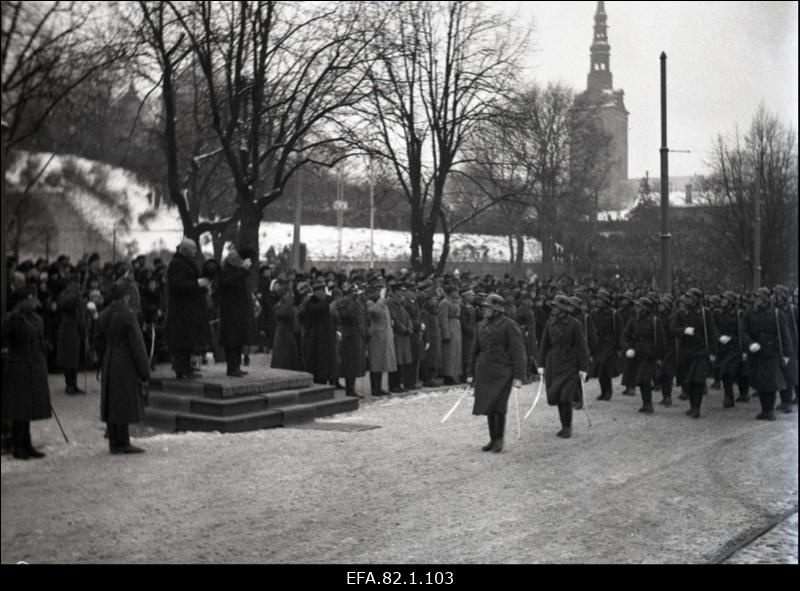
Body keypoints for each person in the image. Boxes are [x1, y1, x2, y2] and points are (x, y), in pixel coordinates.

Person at [94, 278, 150, 454]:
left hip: (109, 358)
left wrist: (101, 360)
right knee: (123, 400)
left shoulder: (104, 314)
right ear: (126, 296)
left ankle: (114, 441)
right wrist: (144, 370)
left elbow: (97, 339)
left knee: (112, 400)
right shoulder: (128, 316)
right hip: (124, 360)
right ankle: (123, 441)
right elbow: (137, 344)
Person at [467, 294, 526, 453]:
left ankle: (499, 439)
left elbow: (518, 351)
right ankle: (493, 439)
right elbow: (474, 350)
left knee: (499, 407)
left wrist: (519, 376)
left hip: (503, 372)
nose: (484, 310)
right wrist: (470, 372)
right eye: (484, 308)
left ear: (497, 309)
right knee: (489, 406)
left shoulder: (509, 325)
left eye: (487, 308)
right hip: (484, 371)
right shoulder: (481, 325)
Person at [1, 286, 52, 459]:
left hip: (33, 365)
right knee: (20, 409)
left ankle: (26, 443)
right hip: (19, 367)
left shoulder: (36, 319)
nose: (34, 302)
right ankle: (18, 445)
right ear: (24, 300)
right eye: (31, 298)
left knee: (29, 407)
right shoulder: (13, 319)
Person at [537, 294, 591, 439]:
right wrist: (540, 364)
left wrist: (584, 368)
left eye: (555, 306)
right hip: (554, 364)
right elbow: (544, 345)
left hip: (570, 364)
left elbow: (582, 347)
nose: (553, 309)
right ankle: (563, 425)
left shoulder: (574, 324)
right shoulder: (550, 323)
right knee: (557, 396)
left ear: (562, 309)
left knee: (566, 397)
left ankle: (567, 426)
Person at [741, 287, 793, 421]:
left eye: (757, 297)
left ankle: (769, 410)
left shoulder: (776, 313)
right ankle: (764, 409)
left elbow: (784, 334)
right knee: (759, 382)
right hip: (755, 352)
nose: (755, 300)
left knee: (769, 383)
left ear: (764, 299)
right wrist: (749, 343)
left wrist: (787, 353)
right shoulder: (749, 313)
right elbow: (743, 331)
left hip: (771, 353)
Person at [164, 238, 210, 379]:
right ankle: (181, 369)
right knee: (181, 342)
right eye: (193, 248)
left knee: (188, 341)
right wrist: (197, 284)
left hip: (189, 309)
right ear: (185, 250)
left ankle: (187, 368)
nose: (196, 251)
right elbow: (178, 286)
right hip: (181, 311)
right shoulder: (177, 264)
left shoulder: (186, 263)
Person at [671, 288, 717, 419]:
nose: (687, 299)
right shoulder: (681, 313)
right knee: (688, 380)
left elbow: (712, 333)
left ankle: (697, 407)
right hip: (686, 351)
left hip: (701, 351)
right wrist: (684, 330)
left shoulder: (704, 313)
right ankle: (692, 405)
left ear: (696, 299)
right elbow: (672, 329)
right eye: (687, 297)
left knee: (698, 380)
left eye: (690, 297)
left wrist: (712, 352)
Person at [621, 297, 665, 414]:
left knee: (644, 378)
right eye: (637, 306)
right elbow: (625, 336)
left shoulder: (655, 321)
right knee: (639, 380)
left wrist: (660, 357)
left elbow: (660, 340)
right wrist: (628, 348)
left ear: (646, 307)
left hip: (649, 354)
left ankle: (649, 404)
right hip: (636, 353)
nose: (637, 308)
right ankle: (645, 403)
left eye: (639, 306)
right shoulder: (634, 320)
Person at [216, 251, 254, 377]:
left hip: (239, 313)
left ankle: (236, 366)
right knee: (231, 342)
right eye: (238, 259)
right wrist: (243, 270)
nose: (241, 261)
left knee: (238, 341)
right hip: (230, 314)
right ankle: (232, 368)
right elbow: (228, 283)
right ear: (232, 261)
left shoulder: (237, 272)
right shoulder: (225, 272)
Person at [297, 279, 338, 385]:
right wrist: (327, 300)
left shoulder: (324, 302)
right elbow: (318, 309)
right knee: (318, 365)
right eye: (321, 291)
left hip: (327, 338)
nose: (323, 293)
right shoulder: (310, 303)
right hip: (315, 339)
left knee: (327, 363)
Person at [714, 291, 749, 408]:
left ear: (731, 301)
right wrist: (719, 336)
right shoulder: (719, 313)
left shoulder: (739, 314)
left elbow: (743, 332)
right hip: (723, 347)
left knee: (729, 371)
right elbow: (715, 328)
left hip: (735, 348)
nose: (723, 301)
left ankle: (733, 396)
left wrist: (743, 349)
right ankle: (728, 396)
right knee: (724, 372)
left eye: (725, 299)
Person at [335, 284, 366, 398]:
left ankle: (352, 387)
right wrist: (352, 302)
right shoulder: (343, 303)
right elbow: (346, 316)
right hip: (349, 336)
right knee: (350, 364)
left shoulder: (357, 303)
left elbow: (361, 318)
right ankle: (349, 389)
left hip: (357, 335)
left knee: (356, 363)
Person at [56, 274, 86, 394]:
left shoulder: (78, 295)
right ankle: (69, 384)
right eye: (75, 283)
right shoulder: (65, 295)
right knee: (68, 358)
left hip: (76, 327)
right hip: (68, 327)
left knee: (75, 357)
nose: (77, 285)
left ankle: (74, 383)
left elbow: (81, 309)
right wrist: (76, 295)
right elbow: (65, 304)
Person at [589, 289, 620, 401]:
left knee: (606, 369)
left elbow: (618, 331)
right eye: (597, 299)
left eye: (600, 299)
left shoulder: (613, 314)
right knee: (600, 369)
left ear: (605, 301)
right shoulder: (594, 313)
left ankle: (608, 391)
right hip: (598, 344)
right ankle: (603, 391)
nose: (597, 301)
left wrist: (618, 347)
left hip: (609, 344)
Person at [366, 281, 395, 397]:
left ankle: (379, 387)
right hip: (376, 336)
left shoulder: (382, 303)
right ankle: (375, 388)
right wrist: (381, 299)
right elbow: (375, 312)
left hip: (385, 336)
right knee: (375, 362)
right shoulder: (370, 302)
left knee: (382, 362)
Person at [773, 285, 797, 413]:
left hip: (792, 346)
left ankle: (788, 401)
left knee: (789, 374)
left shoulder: (792, 310)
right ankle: (784, 400)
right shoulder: (775, 310)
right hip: (780, 346)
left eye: (777, 294)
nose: (775, 297)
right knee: (781, 375)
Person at [438, 285, 463, 385]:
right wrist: (446, 333)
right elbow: (443, 319)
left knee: (456, 353)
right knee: (449, 353)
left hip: (456, 326)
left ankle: (454, 373)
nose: (456, 293)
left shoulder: (455, 301)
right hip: (450, 326)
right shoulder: (445, 302)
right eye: (454, 291)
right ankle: (447, 375)